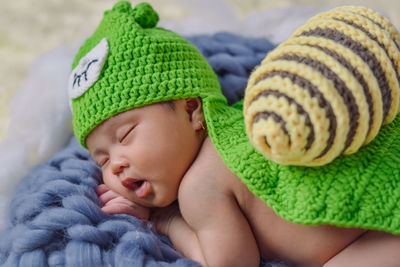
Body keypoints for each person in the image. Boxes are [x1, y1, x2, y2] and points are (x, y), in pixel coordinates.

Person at [68, 2, 400, 266]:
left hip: (379, 236)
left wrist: (166, 221)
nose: (116, 166)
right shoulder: (246, 116)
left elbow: (229, 262)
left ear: (191, 110)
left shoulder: (198, 187)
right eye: (102, 160)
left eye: (125, 136)